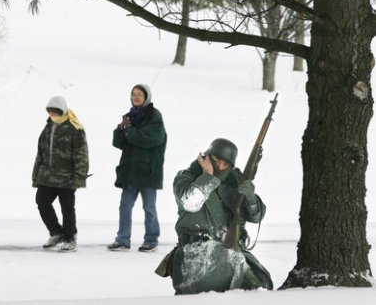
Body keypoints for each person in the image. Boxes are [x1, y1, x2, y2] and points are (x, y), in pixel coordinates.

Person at [162, 138, 273, 294]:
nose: (221, 166)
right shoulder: (187, 178)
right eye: (217, 160)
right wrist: (208, 175)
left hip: (233, 252)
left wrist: (251, 198)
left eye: (226, 164)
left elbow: (256, 217)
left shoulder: (234, 183)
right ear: (207, 157)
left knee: (261, 286)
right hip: (196, 256)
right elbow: (191, 202)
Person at [107, 84, 167, 253]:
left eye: (139, 94)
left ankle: (151, 240)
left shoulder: (155, 116)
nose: (136, 97)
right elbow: (118, 142)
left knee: (149, 207)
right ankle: (122, 239)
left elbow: (148, 139)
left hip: (148, 172)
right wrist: (121, 129)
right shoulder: (129, 117)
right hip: (130, 172)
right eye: (133, 94)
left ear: (146, 97)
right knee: (124, 206)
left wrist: (129, 131)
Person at [32, 96, 89, 252]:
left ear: (62, 111)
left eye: (56, 111)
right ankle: (56, 233)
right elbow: (40, 153)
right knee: (42, 202)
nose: (53, 114)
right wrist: (36, 175)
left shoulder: (74, 128)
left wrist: (79, 176)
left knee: (67, 208)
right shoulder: (48, 127)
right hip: (47, 177)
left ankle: (70, 238)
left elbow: (81, 154)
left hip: (67, 178)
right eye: (50, 111)